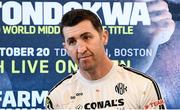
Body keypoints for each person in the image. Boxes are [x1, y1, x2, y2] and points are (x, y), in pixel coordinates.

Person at [46, 9, 166, 109]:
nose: (81, 49)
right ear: (66, 49)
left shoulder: (143, 86)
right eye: (72, 42)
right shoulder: (57, 98)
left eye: (86, 37)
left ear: (104, 37)